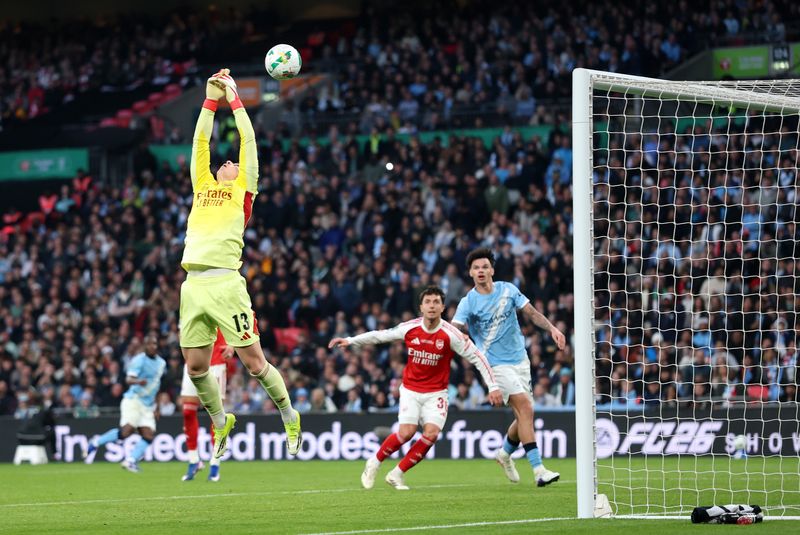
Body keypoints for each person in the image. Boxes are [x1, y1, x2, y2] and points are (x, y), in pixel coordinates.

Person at [179, 69, 301, 461]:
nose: (228, 160)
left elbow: (248, 139)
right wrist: (209, 99)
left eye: (232, 162)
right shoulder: (203, 185)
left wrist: (233, 97)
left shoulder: (244, 190)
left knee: (254, 363)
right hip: (193, 285)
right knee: (196, 367)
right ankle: (220, 422)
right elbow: (201, 140)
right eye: (224, 160)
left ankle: (289, 414)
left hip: (226, 283)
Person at [329, 285, 502, 490]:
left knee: (431, 434)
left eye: (436, 302)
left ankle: (397, 474)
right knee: (406, 432)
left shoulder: (451, 334)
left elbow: (477, 357)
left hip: (436, 392)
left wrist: (493, 386)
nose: (431, 306)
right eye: (427, 302)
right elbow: (380, 335)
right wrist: (349, 340)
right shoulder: (410, 328)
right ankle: (373, 463)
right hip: (411, 389)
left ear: (442, 308)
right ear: (421, 307)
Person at [452, 247, 566, 488]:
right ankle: (538, 470)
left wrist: (553, 329)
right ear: (471, 273)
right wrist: (460, 336)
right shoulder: (468, 302)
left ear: (491, 270)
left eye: (484, 267)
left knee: (524, 414)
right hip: (494, 365)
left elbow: (531, 313)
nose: (481, 271)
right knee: (524, 406)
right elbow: (456, 327)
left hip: (520, 361)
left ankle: (504, 454)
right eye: (476, 268)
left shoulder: (508, 290)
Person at [83, 333, 166, 472]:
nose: (153, 346)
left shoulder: (161, 363)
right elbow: (128, 379)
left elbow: (157, 384)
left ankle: (130, 460)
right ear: (145, 346)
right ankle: (95, 442)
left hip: (147, 404)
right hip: (133, 399)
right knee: (126, 431)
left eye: (155, 344)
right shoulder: (139, 360)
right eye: (150, 344)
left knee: (149, 434)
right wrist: (139, 381)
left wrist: (157, 406)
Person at [181, 329, 232, 482]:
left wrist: (232, 346)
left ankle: (215, 464)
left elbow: (237, 323)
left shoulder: (223, 304)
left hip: (216, 362)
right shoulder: (187, 305)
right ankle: (193, 460)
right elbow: (183, 331)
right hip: (193, 361)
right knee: (187, 412)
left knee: (216, 416)